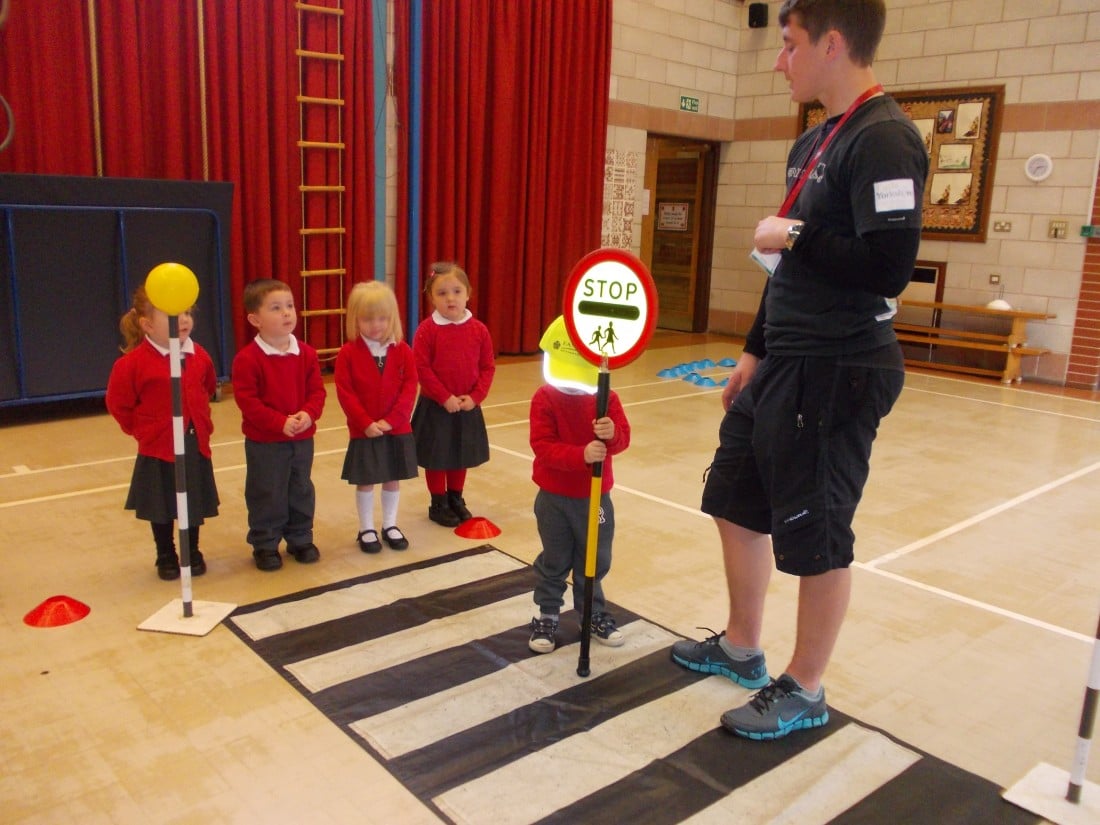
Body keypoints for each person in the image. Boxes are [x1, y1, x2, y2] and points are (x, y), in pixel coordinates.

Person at [670, 0, 928, 741]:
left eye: (789, 46)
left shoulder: (884, 140)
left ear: (833, 43)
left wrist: (799, 231)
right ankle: (743, 646)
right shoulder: (815, 139)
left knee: (816, 531)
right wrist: (753, 348)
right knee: (734, 498)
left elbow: (889, 266)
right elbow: (781, 266)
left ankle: (806, 685)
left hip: (840, 365)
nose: (780, 60)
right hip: (784, 358)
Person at [527, 316, 631, 654]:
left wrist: (611, 434)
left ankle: (592, 613)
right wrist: (582, 454)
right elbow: (542, 446)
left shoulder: (605, 397)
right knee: (554, 558)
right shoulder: (544, 398)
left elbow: (623, 437)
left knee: (594, 559)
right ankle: (547, 614)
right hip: (554, 497)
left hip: (595, 498)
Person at [106, 285, 219, 581]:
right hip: (158, 447)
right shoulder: (131, 364)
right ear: (146, 324)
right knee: (161, 503)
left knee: (191, 500)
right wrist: (143, 431)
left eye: (186, 312)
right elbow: (119, 404)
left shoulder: (199, 355)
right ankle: (165, 553)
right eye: (172, 315)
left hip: (193, 441)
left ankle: (191, 550)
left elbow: (207, 387)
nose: (183, 319)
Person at [231, 278, 326, 571]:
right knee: (267, 490)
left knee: (300, 488)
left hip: (301, 439)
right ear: (255, 319)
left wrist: (308, 414)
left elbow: (317, 392)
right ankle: (266, 542)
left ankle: (300, 537)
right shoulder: (247, 359)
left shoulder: (307, 353)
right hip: (266, 442)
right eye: (276, 308)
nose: (286, 313)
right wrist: (278, 422)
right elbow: (248, 401)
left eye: (289, 306)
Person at [335, 281, 419, 553]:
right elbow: (345, 393)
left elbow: (409, 388)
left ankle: (390, 524)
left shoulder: (403, 350)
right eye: (368, 319)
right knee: (366, 480)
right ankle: (366, 528)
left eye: (382, 318)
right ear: (355, 320)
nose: (376, 325)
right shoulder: (348, 353)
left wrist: (392, 420)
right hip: (365, 431)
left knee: (391, 477)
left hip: (396, 429)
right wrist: (365, 422)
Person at [411, 261, 495, 526]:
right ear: (431, 297)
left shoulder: (479, 330)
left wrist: (475, 397)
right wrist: (443, 397)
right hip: (437, 407)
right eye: (442, 293)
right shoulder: (427, 330)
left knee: (460, 454)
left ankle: (456, 498)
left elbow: (487, 367)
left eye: (457, 291)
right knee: (437, 457)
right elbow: (421, 368)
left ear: (468, 293)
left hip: (466, 406)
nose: (450, 298)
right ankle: (438, 502)